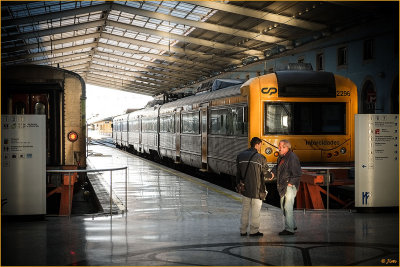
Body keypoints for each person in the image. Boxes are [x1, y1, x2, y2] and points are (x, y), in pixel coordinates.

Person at [236, 137, 270, 237]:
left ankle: (243, 230)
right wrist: (271, 175)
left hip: (245, 188)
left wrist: (239, 184)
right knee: (255, 210)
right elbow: (265, 173)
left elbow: (238, 173)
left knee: (245, 209)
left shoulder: (240, 155)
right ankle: (254, 231)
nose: (260, 147)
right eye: (261, 145)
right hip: (257, 189)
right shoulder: (261, 157)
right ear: (257, 145)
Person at [270, 139, 302, 235]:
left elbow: (297, 174)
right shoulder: (282, 157)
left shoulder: (292, 158)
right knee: (283, 207)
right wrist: (273, 172)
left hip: (289, 186)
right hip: (283, 186)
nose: (278, 148)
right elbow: (277, 167)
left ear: (286, 147)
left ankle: (289, 229)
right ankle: (292, 225)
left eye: (280, 146)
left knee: (287, 207)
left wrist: (290, 183)